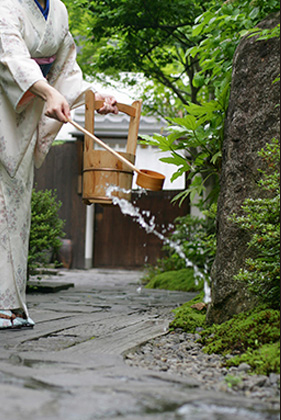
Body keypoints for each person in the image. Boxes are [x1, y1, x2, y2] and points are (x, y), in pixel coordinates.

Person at [0, 0, 118, 329]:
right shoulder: (5, 6)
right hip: (4, 104)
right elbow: (11, 58)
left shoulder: (60, 12)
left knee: (16, 210)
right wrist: (47, 92)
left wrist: (95, 95)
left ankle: (9, 304)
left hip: (24, 116)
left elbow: (66, 72)